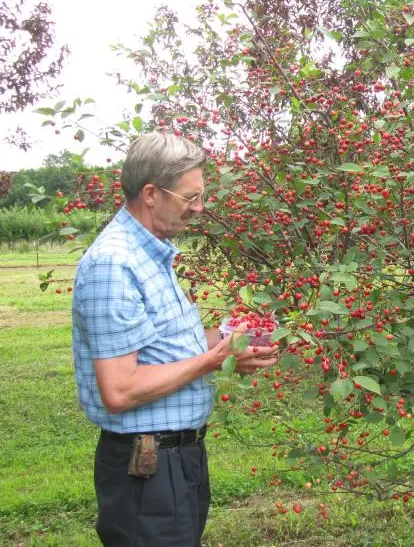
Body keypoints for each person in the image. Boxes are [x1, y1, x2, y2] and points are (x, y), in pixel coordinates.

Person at [72, 132, 277, 546]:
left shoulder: (152, 255)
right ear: (151, 193)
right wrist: (212, 361)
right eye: (190, 197)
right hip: (146, 468)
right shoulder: (114, 264)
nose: (199, 208)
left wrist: (229, 340)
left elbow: (165, 345)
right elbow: (120, 389)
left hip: (173, 460)